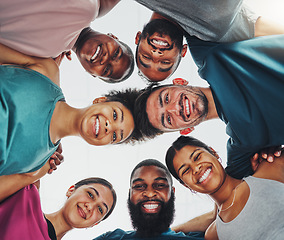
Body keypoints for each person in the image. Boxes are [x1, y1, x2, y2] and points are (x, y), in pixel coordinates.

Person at [134, 34, 284, 179]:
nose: (174, 108)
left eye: (166, 98)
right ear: (185, 130)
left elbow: (178, 13)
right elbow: (227, 196)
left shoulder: (209, 53)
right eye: (168, 119)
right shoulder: (242, 148)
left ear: (179, 81)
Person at [0, 42, 141, 176]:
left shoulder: (37, 165)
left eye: (115, 136)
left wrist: (33, 175)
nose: (109, 126)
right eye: (115, 115)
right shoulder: (46, 71)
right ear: (101, 100)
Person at [165, 136, 284, 240]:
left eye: (197, 157)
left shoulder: (270, 166)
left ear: (213, 153)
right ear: (186, 185)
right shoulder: (214, 234)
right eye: (185, 170)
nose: (196, 169)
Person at [134, 1, 284, 82]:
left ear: (138, 37)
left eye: (146, 57)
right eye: (165, 62)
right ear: (183, 51)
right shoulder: (215, 28)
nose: (156, 54)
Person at [0, 0, 134, 83]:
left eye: (106, 70)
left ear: (91, 74)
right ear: (113, 37)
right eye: (116, 53)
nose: (106, 59)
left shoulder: (43, 57)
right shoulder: (89, 7)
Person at [93, 159, 216, 239]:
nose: (150, 193)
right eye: (139, 186)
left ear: (172, 192)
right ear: (130, 194)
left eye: (160, 185)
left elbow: (225, 212)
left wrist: (177, 229)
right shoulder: (111, 238)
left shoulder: (203, 236)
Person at [0, 176, 117, 240]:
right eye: (90, 194)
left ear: (94, 224)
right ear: (71, 190)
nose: (90, 206)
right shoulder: (26, 195)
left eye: (100, 209)